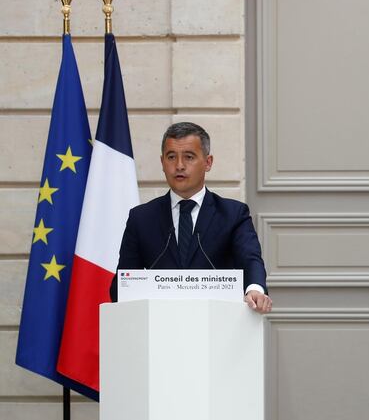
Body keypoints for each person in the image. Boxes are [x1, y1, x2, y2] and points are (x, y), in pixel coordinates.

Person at [110, 122, 272, 313]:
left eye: (189, 157)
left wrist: (255, 289)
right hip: (158, 327)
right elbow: (121, 287)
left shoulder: (233, 214)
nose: (179, 165)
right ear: (162, 162)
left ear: (208, 162)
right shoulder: (141, 218)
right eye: (171, 157)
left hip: (217, 326)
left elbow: (250, 260)